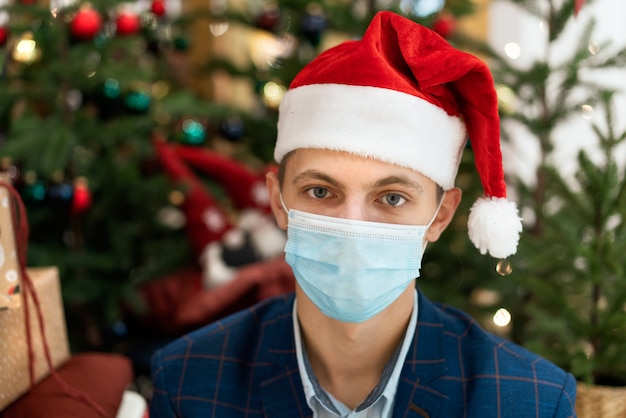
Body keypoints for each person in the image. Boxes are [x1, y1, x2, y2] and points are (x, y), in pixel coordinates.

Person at [149, 11, 577, 417]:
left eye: (391, 198)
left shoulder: (530, 400)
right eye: (320, 191)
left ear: (441, 216)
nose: (353, 225)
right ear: (278, 202)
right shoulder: (189, 381)